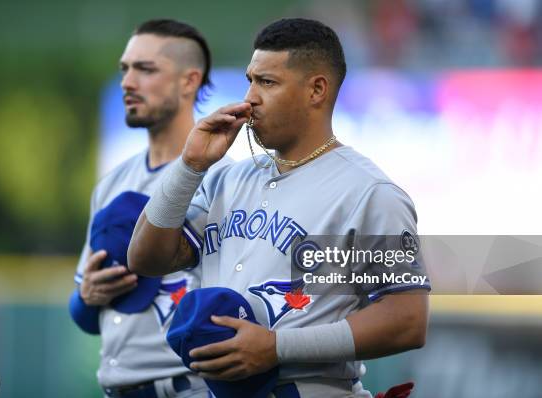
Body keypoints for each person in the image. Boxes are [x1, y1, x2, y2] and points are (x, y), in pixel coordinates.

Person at [128, 18, 430, 398]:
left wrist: (277, 347)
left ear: (316, 90)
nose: (250, 97)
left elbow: (407, 320)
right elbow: (144, 258)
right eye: (250, 80)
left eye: (267, 82)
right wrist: (189, 166)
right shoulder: (228, 180)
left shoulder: (369, 192)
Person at [69, 19, 217, 398]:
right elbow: (86, 316)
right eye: (125, 69)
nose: (127, 82)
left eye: (145, 69)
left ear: (189, 81)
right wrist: (87, 296)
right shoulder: (112, 183)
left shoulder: (223, 178)